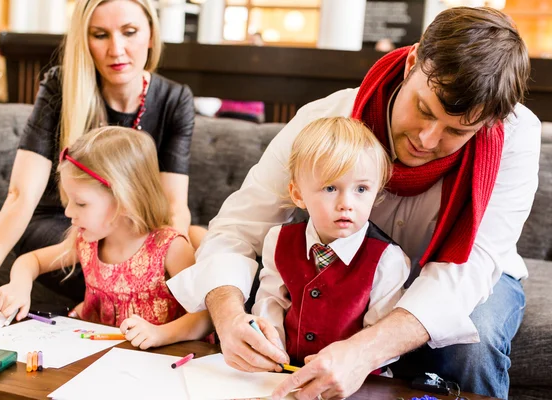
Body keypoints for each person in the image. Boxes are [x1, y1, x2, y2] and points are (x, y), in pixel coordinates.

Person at [166, 7, 541, 400]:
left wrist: (365, 351)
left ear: (489, 123)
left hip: (468, 275)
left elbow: (468, 273)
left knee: (471, 347)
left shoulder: (515, 137)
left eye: (456, 131)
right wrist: (227, 316)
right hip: (348, 271)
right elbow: (239, 227)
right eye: (424, 110)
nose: (427, 140)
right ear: (412, 62)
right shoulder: (326, 118)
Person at [0, 0, 204, 308]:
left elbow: (174, 204)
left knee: (196, 237)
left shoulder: (174, 99)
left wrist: (168, 266)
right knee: (107, 244)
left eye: (129, 32)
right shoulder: (60, 84)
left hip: (128, 224)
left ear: (151, 36)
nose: (116, 48)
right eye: (100, 35)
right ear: (85, 40)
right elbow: (21, 194)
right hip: (60, 223)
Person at [0, 126, 212, 349]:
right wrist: (20, 285)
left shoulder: (170, 248)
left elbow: (207, 315)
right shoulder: (86, 241)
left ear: (126, 201)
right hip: (97, 358)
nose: (68, 212)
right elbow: (31, 261)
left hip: (160, 363)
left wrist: (160, 334)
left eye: (80, 203)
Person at [252, 117, 410, 370]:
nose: (346, 203)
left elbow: (382, 336)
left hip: (359, 380)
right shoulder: (278, 240)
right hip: (285, 371)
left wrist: (349, 363)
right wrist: (272, 351)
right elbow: (271, 302)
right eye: (330, 188)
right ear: (298, 194)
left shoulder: (387, 259)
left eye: (361, 189)